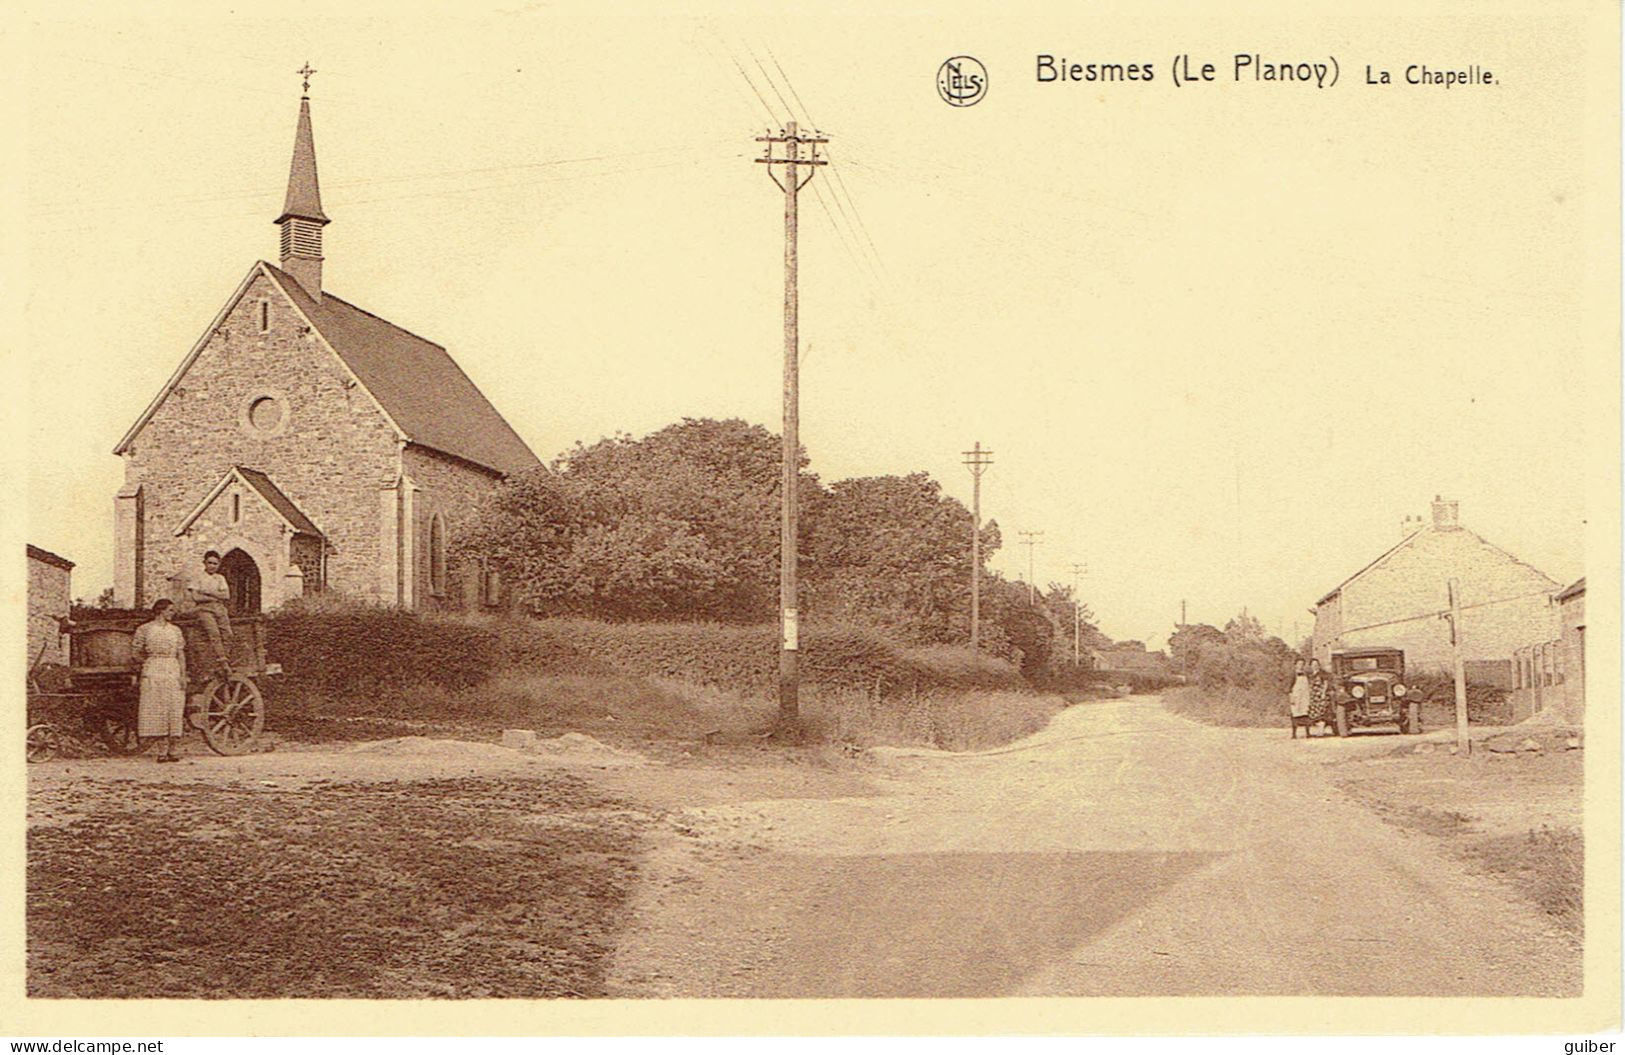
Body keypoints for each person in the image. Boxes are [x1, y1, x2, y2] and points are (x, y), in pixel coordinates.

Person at [131, 598, 187, 763]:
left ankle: (173, 750)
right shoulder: (144, 629)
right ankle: (161, 751)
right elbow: (135, 652)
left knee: (174, 708)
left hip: (172, 669)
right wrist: (149, 662)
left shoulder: (176, 630)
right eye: (170, 610)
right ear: (160, 611)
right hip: (153, 670)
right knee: (156, 709)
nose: (172, 613)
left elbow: (181, 654)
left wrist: (183, 675)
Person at [188, 550, 234, 675]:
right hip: (204, 609)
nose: (212, 566)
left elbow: (226, 595)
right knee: (214, 633)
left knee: (228, 634)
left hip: (219, 608)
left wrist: (207, 593)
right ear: (204, 563)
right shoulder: (197, 578)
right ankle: (222, 662)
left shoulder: (220, 578)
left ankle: (225, 660)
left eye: (215, 564)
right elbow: (196, 598)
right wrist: (215, 596)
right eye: (210, 563)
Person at [1288, 658, 1313, 739]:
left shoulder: (1306, 675)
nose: (1301, 666)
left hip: (1305, 697)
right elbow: (1289, 687)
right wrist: (1291, 697)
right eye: (1299, 664)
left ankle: (1308, 733)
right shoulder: (1293, 674)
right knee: (1295, 714)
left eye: (1302, 664)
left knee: (1306, 714)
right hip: (1296, 696)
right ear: (1295, 665)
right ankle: (1294, 734)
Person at [1308, 658, 1334, 736]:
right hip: (1313, 695)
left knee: (1321, 712)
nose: (1315, 666)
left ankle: (1321, 731)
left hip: (1320, 694)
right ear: (1311, 666)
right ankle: (1319, 730)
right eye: (1313, 665)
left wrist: (1323, 693)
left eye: (1316, 664)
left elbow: (1325, 683)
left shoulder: (1322, 673)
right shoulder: (1311, 674)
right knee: (1314, 712)